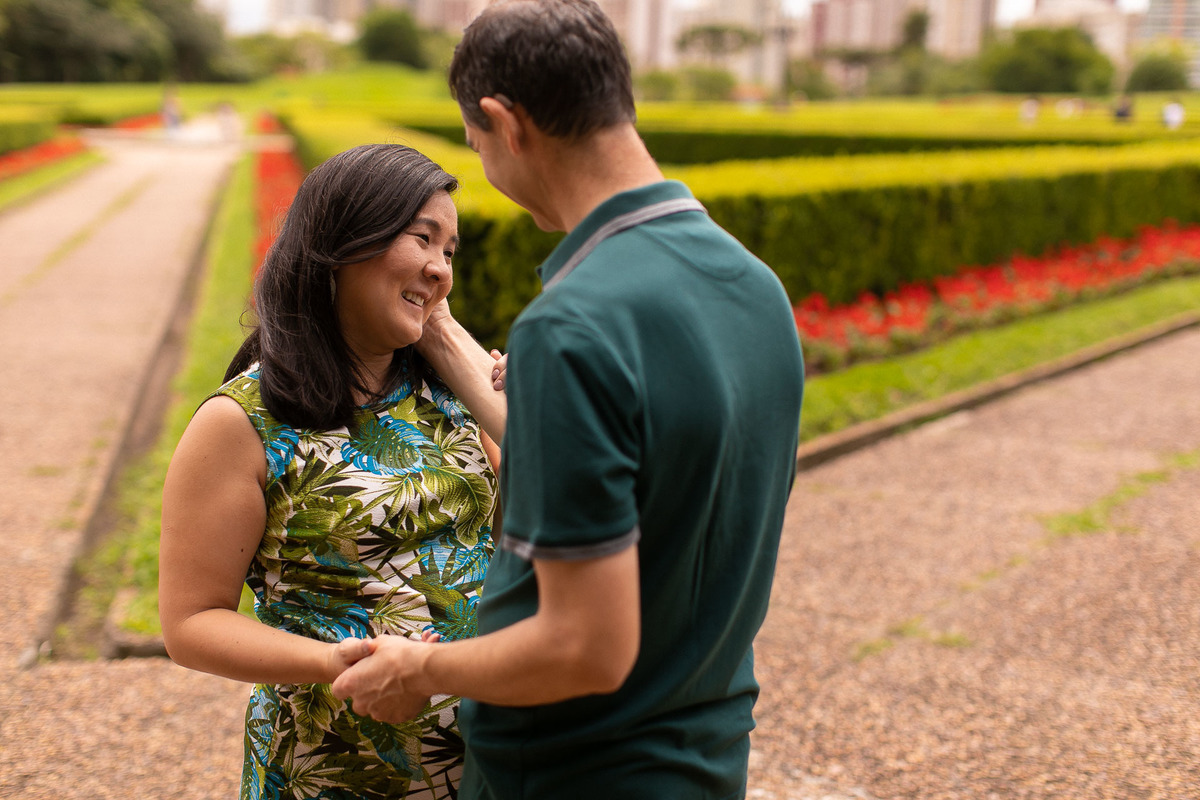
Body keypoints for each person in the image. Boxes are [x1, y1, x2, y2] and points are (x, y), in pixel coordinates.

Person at [332, 2, 807, 798]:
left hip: (572, 773)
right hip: (705, 762)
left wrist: (419, 668)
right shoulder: (756, 290)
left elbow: (585, 646)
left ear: (503, 122)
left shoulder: (575, 324)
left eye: (478, 145)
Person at [159, 143, 504, 800]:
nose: (441, 269)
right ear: (344, 241)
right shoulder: (243, 422)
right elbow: (191, 621)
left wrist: (467, 366)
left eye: (450, 251)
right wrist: (332, 662)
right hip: (329, 772)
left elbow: (558, 503)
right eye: (423, 239)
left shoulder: (453, 395)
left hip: (485, 771)